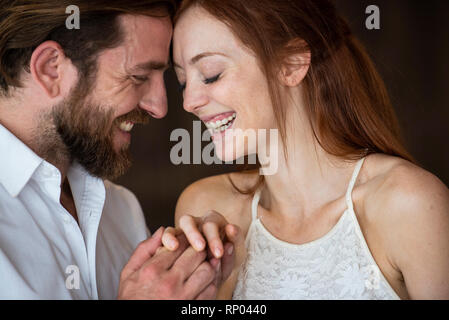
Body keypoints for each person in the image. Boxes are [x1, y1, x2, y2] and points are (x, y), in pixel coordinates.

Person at [161, 0, 449, 299]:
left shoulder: (410, 204)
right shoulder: (206, 208)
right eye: (182, 83)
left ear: (292, 63)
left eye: (211, 74)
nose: (189, 102)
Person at [0, 0, 237, 299]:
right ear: (51, 69)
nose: (159, 108)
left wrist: (203, 280)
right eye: (138, 77)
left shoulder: (121, 210)